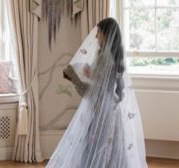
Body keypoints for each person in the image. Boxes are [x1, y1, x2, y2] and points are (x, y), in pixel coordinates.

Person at [47, 17, 147, 168]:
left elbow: (90, 93)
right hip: (111, 108)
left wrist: (73, 77)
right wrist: (94, 76)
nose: (95, 36)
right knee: (110, 151)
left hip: (100, 110)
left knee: (95, 149)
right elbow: (120, 92)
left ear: (106, 34)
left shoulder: (103, 57)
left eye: (98, 32)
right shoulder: (115, 56)